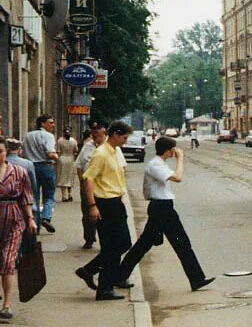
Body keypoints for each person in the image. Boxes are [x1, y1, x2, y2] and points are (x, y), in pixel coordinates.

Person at [117, 137, 214, 292]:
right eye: (173, 150)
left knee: (147, 244)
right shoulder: (155, 165)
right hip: (161, 209)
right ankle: (196, 279)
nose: (175, 152)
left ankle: (120, 275)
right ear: (168, 150)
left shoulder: (160, 164)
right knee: (179, 243)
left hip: (163, 208)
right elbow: (178, 177)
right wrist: (180, 159)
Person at [76, 120, 133, 301]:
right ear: (115, 134)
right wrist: (92, 205)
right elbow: (89, 179)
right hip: (104, 204)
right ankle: (104, 288)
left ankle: (89, 270)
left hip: (116, 202)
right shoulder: (100, 154)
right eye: (124, 137)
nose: (125, 140)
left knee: (123, 243)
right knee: (112, 247)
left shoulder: (115, 151)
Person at [0, 137, 37, 321]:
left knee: (7, 261)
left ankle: (7, 304)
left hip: (14, 219)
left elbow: (26, 196)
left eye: (0, 151)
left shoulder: (19, 172)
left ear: (7, 151)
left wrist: (30, 219)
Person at [22, 114, 59, 233]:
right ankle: (46, 217)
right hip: (46, 166)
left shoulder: (28, 136)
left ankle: (35, 225)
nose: (53, 125)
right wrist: (58, 158)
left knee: (34, 196)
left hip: (31, 166)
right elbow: (50, 153)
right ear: (42, 123)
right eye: (50, 122)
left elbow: (22, 151)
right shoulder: (49, 136)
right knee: (49, 195)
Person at [75, 122, 106, 249]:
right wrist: (83, 184)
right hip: (88, 185)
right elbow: (79, 166)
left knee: (104, 214)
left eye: (98, 134)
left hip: (104, 187)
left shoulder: (111, 148)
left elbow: (121, 168)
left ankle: (105, 241)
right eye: (93, 134)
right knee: (87, 214)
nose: (95, 137)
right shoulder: (88, 146)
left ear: (105, 134)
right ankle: (89, 238)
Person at [57, 127, 79, 202]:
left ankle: (64, 196)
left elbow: (58, 151)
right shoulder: (73, 141)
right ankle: (70, 194)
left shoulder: (60, 140)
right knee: (70, 177)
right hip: (71, 159)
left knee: (63, 177)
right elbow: (76, 150)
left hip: (62, 159)